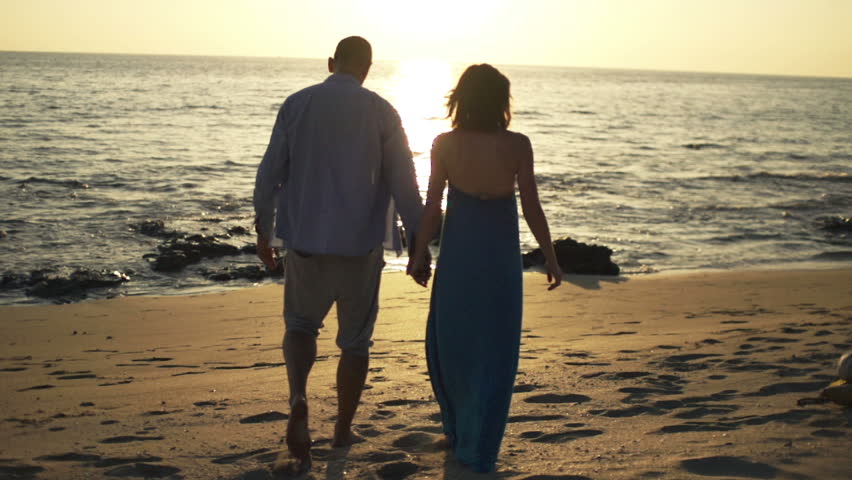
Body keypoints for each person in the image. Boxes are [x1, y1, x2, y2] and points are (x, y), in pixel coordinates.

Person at [253, 36, 426, 470]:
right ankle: (342, 428)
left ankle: (297, 398)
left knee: (299, 326)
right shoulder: (382, 111)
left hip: (306, 243)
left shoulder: (297, 104)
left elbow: (269, 173)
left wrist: (264, 230)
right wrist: (420, 246)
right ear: (367, 68)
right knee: (354, 343)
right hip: (359, 248)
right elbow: (405, 185)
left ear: (332, 63)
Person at [407, 64, 563, 472]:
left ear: (461, 98)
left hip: (459, 258)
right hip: (498, 261)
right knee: (496, 349)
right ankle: (481, 446)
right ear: (500, 101)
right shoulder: (517, 145)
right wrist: (550, 255)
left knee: (453, 343)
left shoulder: (444, 143)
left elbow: (432, 208)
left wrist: (418, 253)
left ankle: (459, 432)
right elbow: (531, 205)